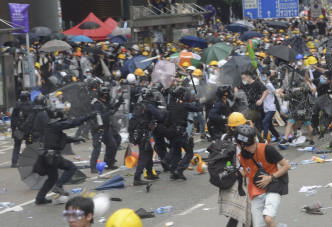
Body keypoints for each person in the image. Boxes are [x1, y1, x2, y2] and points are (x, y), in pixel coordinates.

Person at [35, 106, 96, 205]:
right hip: (52, 157)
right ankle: (58, 186)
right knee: (71, 167)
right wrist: (88, 117)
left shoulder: (49, 125)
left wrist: (76, 139)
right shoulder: (55, 125)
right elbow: (72, 123)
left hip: (46, 156)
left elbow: (61, 138)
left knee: (52, 177)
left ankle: (40, 198)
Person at [235, 124, 290, 227]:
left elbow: (286, 166)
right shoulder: (243, 155)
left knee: (268, 219)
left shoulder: (267, 149)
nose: (237, 146)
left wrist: (270, 178)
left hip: (272, 187)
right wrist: (232, 173)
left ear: (242, 144)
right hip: (256, 191)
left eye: (238, 143)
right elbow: (248, 172)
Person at [129, 88, 164, 186]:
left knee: (148, 153)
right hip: (143, 134)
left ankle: (149, 173)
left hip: (137, 133)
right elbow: (159, 117)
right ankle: (137, 178)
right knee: (144, 156)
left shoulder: (138, 106)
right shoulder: (149, 106)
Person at [90, 86, 123, 173]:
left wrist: (120, 101)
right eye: (104, 94)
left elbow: (113, 107)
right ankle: (93, 167)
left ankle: (109, 163)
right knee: (97, 148)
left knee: (113, 145)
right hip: (98, 129)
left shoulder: (106, 103)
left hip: (106, 129)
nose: (105, 96)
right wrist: (109, 112)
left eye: (107, 94)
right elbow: (100, 117)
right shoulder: (97, 104)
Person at [10, 91, 33, 167]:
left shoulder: (17, 105)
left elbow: (13, 118)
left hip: (18, 129)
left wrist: (13, 129)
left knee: (17, 145)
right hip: (28, 130)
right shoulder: (31, 105)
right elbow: (33, 117)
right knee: (29, 145)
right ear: (27, 97)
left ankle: (14, 162)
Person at [261, 70, 281, 142]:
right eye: (262, 76)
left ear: (268, 76)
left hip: (271, 108)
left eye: (264, 76)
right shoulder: (265, 84)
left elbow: (275, 93)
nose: (263, 77)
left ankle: (265, 139)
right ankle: (278, 137)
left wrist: (280, 106)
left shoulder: (269, 85)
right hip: (266, 108)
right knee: (269, 125)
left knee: (264, 122)